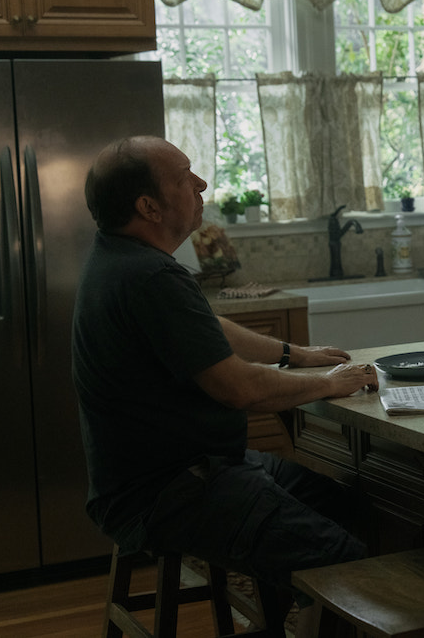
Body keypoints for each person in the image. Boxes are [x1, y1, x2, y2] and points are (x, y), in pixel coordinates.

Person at [71, 136, 380, 635]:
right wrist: (327, 383)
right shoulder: (149, 276)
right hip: (172, 489)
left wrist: (293, 354)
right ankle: (310, 613)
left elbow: (206, 326)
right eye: (184, 177)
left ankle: (287, 620)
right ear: (148, 206)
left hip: (169, 474)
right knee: (341, 559)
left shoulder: (121, 259)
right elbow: (240, 390)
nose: (201, 184)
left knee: (342, 505)